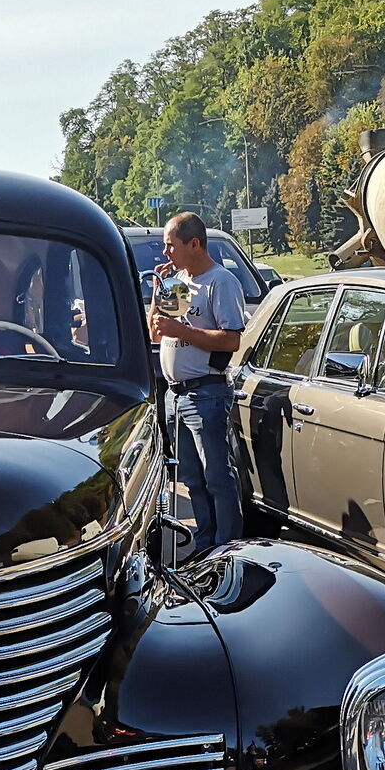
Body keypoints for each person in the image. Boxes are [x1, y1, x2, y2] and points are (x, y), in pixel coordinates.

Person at [148, 212, 246, 555]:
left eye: (170, 246)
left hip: (207, 392)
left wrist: (184, 331)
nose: (165, 254)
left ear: (194, 243)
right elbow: (156, 330)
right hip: (176, 396)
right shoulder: (178, 281)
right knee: (192, 480)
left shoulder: (221, 282)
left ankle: (227, 548)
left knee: (217, 477)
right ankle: (204, 546)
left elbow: (231, 339)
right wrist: (158, 292)